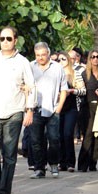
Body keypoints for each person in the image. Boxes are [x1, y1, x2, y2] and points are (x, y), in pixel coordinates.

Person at [0, 26, 36, 194]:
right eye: (2, 38)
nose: (5, 41)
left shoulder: (23, 61)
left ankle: (5, 192)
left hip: (14, 111)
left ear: (15, 40)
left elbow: (31, 85)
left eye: (8, 38)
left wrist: (30, 109)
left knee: (9, 154)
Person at [29, 42, 68, 179]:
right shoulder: (30, 66)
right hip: (35, 109)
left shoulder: (57, 68)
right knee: (36, 141)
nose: (40, 58)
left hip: (53, 109)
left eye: (43, 55)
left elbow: (64, 88)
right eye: (38, 55)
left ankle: (53, 164)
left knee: (54, 139)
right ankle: (39, 169)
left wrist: (59, 108)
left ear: (48, 54)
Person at [57, 51, 86, 172]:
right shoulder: (55, 73)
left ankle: (70, 162)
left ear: (68, 60)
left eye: (63, 59)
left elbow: (83, 90)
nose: (60, 62)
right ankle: (62, 162)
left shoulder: (75, 73)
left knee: (68, 134)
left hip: (72, 107)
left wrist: (72, 91)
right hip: (58, 107)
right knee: (59, 135)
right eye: (58, 60)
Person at [77, 50, 98, 172]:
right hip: (86, 107)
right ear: (89, 59)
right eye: (93, 57)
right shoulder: (84, 74)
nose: (95, 59)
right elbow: (80, 90)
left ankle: (93, 163)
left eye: (97, 57)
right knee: (87, 135)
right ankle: (83, 165)